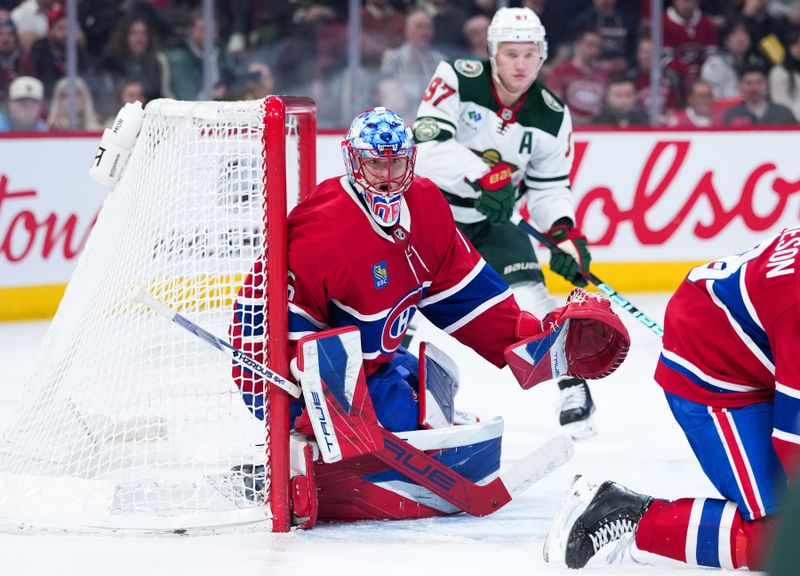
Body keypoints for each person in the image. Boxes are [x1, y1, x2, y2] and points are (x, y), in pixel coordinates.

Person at [227, 107, 629, 523]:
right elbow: (269, 318)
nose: (386, 174)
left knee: (427, 385)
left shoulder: (425, 203)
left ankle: (337, 458)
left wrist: (529, 336)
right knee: (406, 410)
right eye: (375, 162)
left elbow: (467, 294)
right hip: (281, 374)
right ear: (353, 160)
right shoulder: (324, 226)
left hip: (367, 362)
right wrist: (313, 400)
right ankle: (300, 470)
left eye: (396, 161)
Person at [545, 226, 800, 571]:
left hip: (757, 351)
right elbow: (794, 441)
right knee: (785, 539)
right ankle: (629, 515)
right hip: (714, 374)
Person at [412, 7, 600, 438]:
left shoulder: (552, 114)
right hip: (432, 214)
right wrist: (485, 175)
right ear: (492, 53)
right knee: (401, 302)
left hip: (492, 220)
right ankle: (379, 383)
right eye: (510, 53)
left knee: (533, 299)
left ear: (542, 56)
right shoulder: (457, 77)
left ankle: (573, 388)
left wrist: (563, 234)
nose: (520, 64)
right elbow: (427, 146)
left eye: (529, 54)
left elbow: (550, 188)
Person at [724, 65, 797, 125]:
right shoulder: (733, 115)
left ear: (766, 85)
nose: (754, 88)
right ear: (741, 86)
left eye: (759, 82)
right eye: (749, 83)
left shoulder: (783, 113)